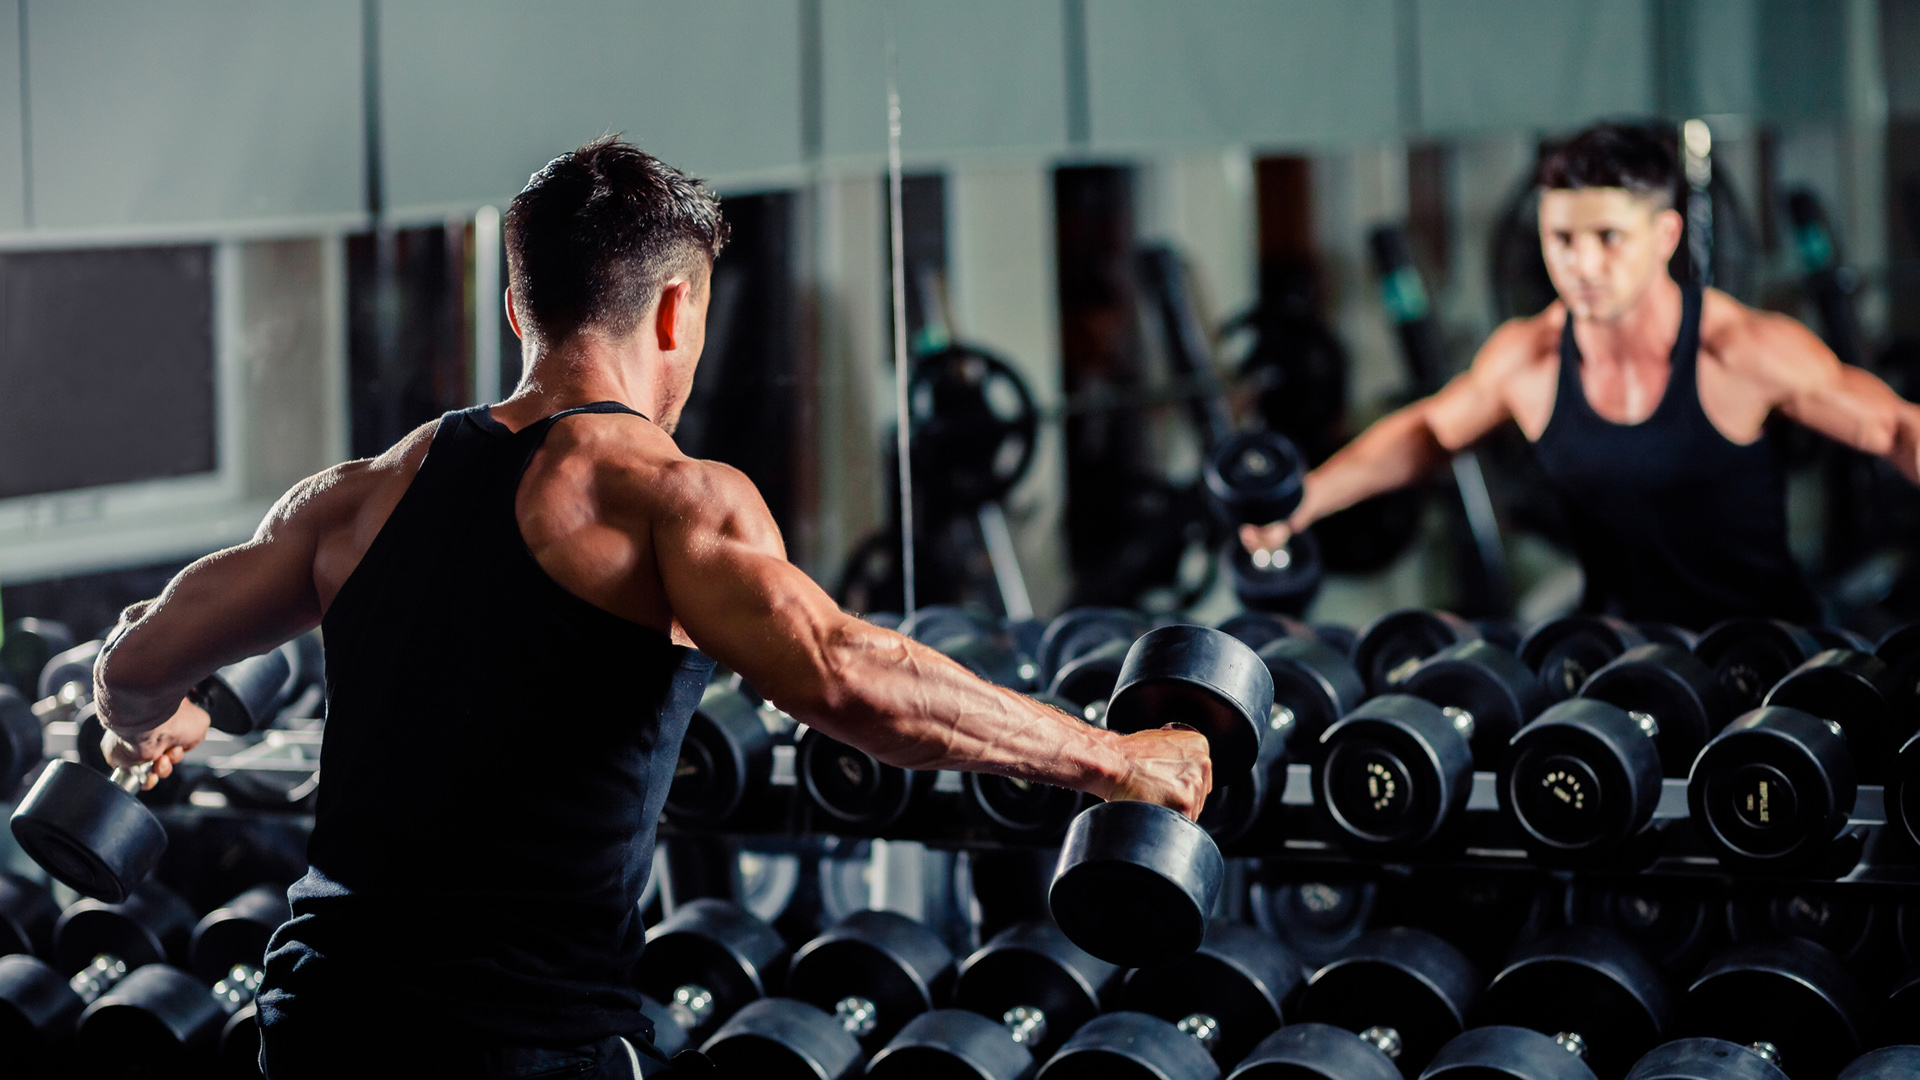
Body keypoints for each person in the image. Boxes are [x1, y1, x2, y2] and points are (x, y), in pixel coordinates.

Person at [89, 138, 1210, 1079]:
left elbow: (131, 668)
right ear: (677, 310)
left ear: (519, 301)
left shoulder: (356, 498)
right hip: (526, 1049)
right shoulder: (669, 499)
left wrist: (158, 724)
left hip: (321, 1027)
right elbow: (845, 677)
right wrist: (1114, 761)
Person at [1243, 122, 1920, 629]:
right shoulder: (1528, 357)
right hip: (1617, 657)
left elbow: (1894, 428)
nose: (1582, 265)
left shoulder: (1739, 349)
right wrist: (1305, 501)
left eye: (1608, 239)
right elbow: (1429, 432)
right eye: (1562, 239)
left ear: (1664, 237)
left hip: (1769, 653)